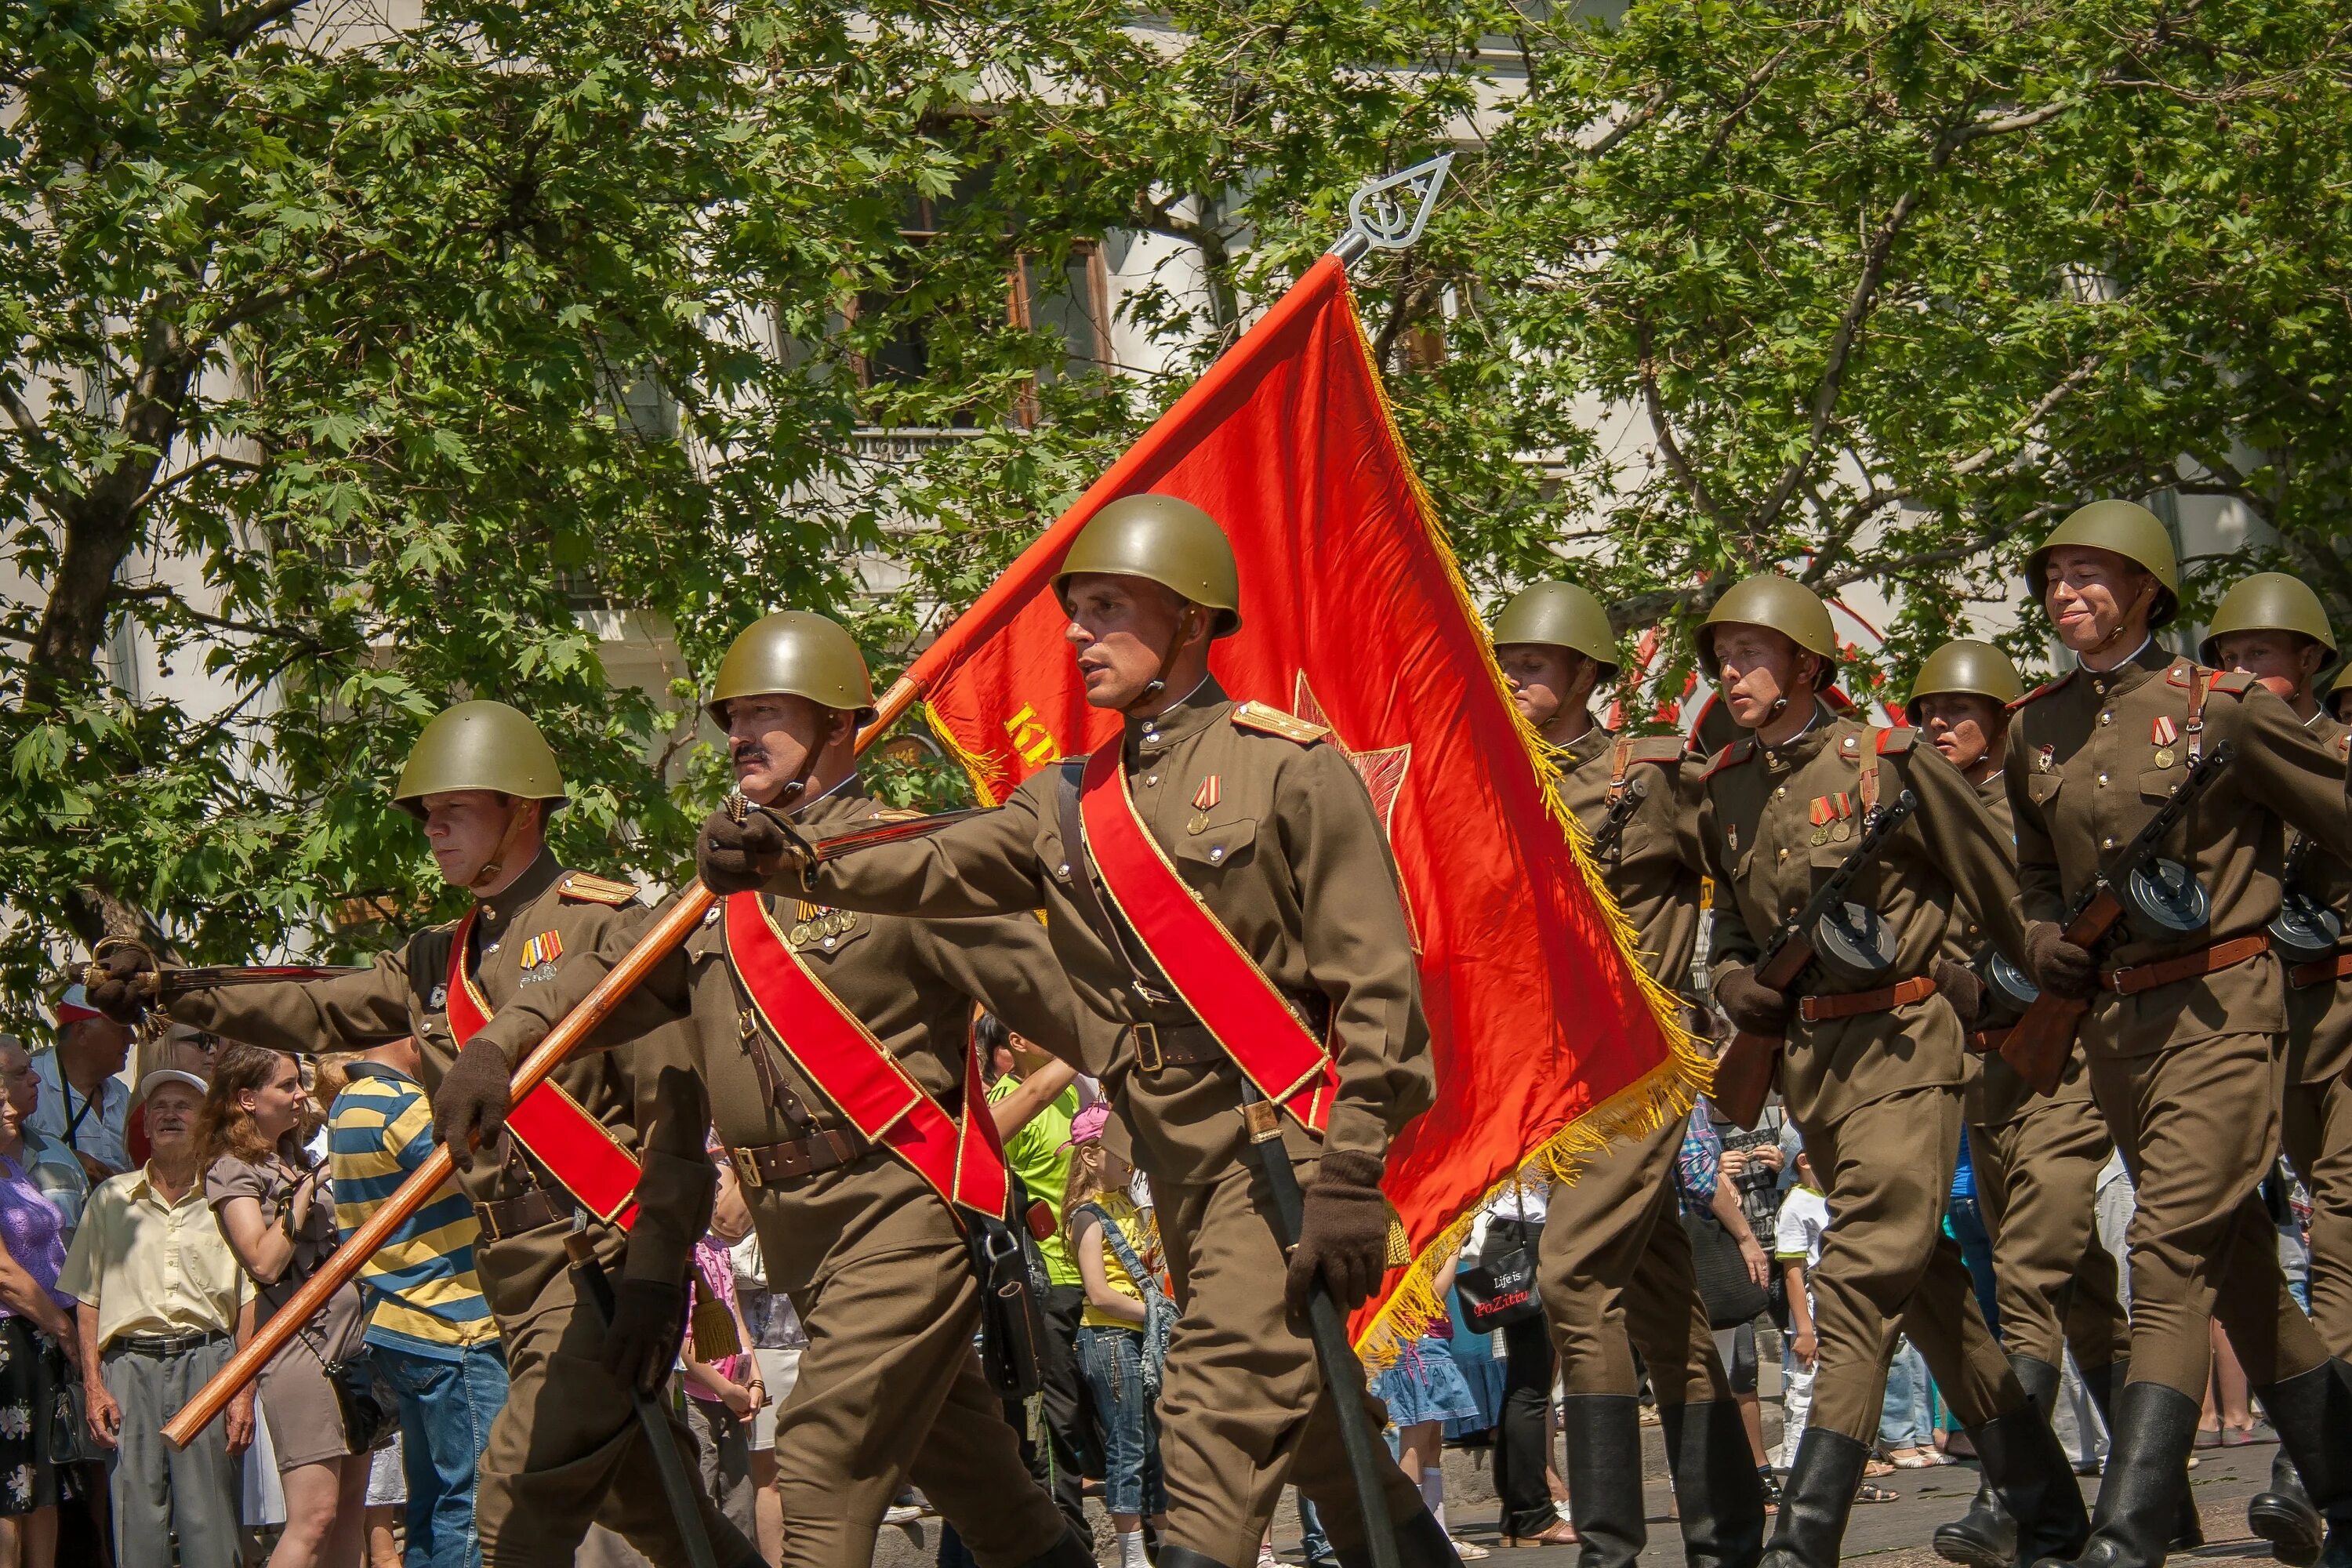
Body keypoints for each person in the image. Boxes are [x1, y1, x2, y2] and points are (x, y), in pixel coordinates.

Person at [699, 495, 1444, 1568]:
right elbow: (935, 860)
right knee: (1325, 1438)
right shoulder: (1066, 801)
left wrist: (1355, 1166)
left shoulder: (1289, 766)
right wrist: (791, 857)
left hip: (1277, 1145)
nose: (1079, 634)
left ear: (1190, 621)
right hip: (1170, 1158)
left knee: (1214, 1413)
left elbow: (1377, 985)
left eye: (1109, 608)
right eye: (1075, 611)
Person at [475, 612, 1099, 1568]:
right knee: (989, 1492)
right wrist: (502, 1045)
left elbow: (1069, 1012)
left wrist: (1193, 1118)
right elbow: (599, 979)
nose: (739, 734)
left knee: (814, 1469)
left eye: (768, 712)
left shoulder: (904, 857)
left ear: (840, 725)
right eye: (734, 715)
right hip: (798, 1232)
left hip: (901, 1215)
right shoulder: (719, 885)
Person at [87, 700, 742, 1568]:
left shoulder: (606, 922)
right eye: (425, 813)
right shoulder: (440, 953)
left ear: (523, 807)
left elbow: (673, 1110)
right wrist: (178, 989)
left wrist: (660, 1273)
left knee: (508, 1512)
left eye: (452, 807)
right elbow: (317, 1002)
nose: (431, 827)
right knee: (664, 1515)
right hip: (512, 1269)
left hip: (601, 1261)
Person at [1693, 573, 2085, 1568]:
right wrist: (1736, 980)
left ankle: (1806, 1534)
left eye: (1750, 653)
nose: (1731, 672)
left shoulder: (1887, 762)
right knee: (1935, 1298)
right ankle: (2047, 1510)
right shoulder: (1730, 784)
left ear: (1805, 665)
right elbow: (1735, 924)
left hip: (1911, 1049)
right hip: (1814, 1066)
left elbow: (1999, 887)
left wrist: (2036, 988)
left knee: (1861, 1275)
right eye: (1723, 656)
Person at [2005, 503, 2352, 1568]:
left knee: (2163, 1249)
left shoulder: (2227, 711)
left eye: (2094, 575)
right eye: (2057, 577)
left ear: (2150, 588)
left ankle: (2129, 1529)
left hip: (2225, 1009)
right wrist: (2041, 939)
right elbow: (2029, 875)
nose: (2071, 593)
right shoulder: (2036, 725)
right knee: (2236, 1264)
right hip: (2115, 1028)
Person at [1491, 579, 1765, 1568]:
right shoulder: (1502, 781)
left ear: (1584, 673)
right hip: (1562, 1075)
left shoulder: (1647, 774)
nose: (1515, 677)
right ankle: (1731, 1537)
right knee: (1662, 1308)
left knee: (1572, 1278)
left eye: (1533, 663)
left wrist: (1752, 982)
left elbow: (1750, 853)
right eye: (1508, 661)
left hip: (1641, 1067)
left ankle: (1609, 1548)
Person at [1909, 637, 2148, 1568]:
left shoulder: (2036, 806)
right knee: (2085, 1294)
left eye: (1961, 711)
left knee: (2027, 1269)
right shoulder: (1918, 813)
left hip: (2065, 1061)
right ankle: (2153, 1492)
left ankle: (2011, 1495)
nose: (1940, 725)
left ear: (2006, 722)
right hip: (1985, 1074)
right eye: (1929, 711)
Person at [2199, 572, 2352, 1564]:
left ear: (2309, 664)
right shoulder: (2214, 762)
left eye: (2265, 655)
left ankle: (2309, 1470)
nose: (2247, 672)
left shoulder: (2332, 760)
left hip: (2342, 1008)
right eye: (2234, 657)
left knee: (2336, 1223)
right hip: (2266, 1019)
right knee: (2245, 1236)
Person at [326, 1032, 509, 1568]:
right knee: (477, 1503)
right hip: (451, 1324)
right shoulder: (394, 1102)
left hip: (406, 1321)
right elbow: (477, 1171)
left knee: (432, 1506)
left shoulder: (351, 1102)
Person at [60, 1068, 252, 1568]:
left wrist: (242, 1389)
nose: (169, 1115)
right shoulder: (110, 1200)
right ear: (145, 1128)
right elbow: (87, 1299)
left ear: (205, 1122)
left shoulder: (228, 1199)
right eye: (159, 1108)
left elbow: (250, 1301)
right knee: (135, 1521)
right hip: (128, 1370)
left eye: (183, 1106)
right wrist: (95, 1385)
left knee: (211, 1521)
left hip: (209, 1364)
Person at [197, 1044, 372, 1568]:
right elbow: (264, 1262)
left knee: (348, 1511)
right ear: (247, 1098)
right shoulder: (232, 1170)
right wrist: (307, 1192)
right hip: (301, 1351)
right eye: (288, 1085)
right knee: (313, 1517)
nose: (301, 1096)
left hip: (352, 1345)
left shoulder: (295, 1158)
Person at [982, 1012, 1094, 1536]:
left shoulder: (1076, 1094)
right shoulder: (1002, 1102)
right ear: (1017, 1041)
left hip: (1093, 1276)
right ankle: (1067, 1536)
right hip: (1043, 1280)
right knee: (1054, 1416)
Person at [1065, 1104, 1171, 1568]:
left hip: (1145, 1335)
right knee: (1128, 1440)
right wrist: (1157, 1310)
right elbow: (1099, 1293)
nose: (1131, 1159)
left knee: (1159, 1440)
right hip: (1109, 1337)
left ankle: (1166, 1545)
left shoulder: (1132, 1205)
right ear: (1091, 1156)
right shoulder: (1087, 1215)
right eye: (1120, 1150)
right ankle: (1132, 1555)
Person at [0, 1033, 82, 1568]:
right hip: (11, 1340)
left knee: (45, 1483)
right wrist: (63, 1327)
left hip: (40, 1340)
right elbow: (4, 1272)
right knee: (10, 1486)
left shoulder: (12, 1165)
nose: (36, 1083)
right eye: (20, 1073)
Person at [680, 1218, 761, 1550]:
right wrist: (724, 1389)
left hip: (735, 1392)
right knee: (702, 1495)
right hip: (696, 1396)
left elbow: (737, 1321)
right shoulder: (675, 1256)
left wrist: (755, 1378)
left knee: (741, 1498)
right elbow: (680, 1338)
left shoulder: (719, 1250)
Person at [32, 986, 131, 1185]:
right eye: (121, 1028)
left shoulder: (121, 1094)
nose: (133, 1039)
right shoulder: (30, 1082)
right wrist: (67, 1159)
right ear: (82, 1032)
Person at [0, 1037, 89, 1250]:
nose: (36, 1078)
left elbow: (91, 1242)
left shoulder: (58, 1153)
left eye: (31, 1067)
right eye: (21, 1073)